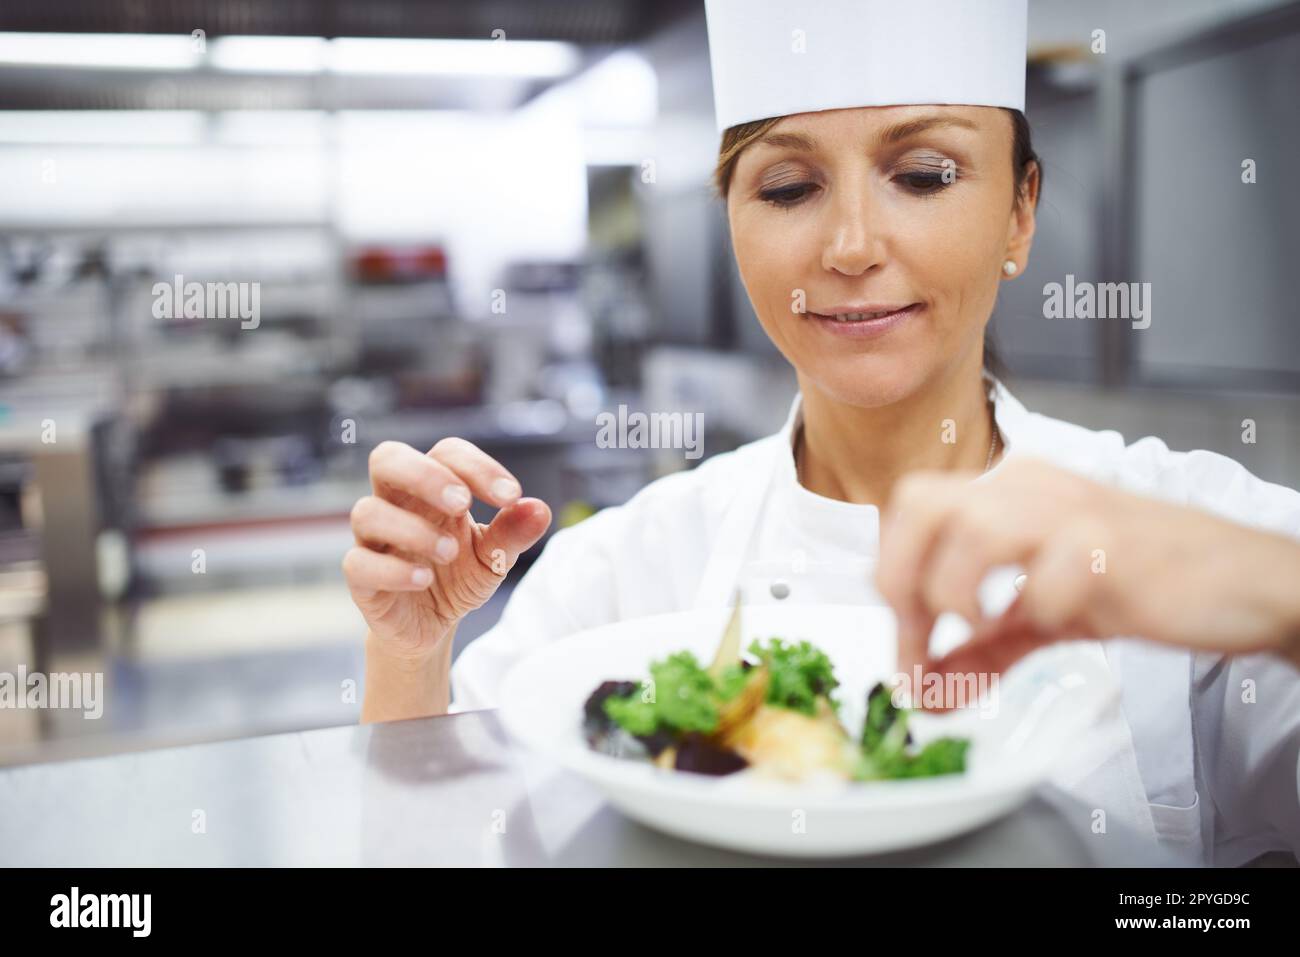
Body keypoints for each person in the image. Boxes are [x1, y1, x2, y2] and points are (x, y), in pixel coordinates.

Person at [344, 0, 1300, 866]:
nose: (850, 247)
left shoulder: (1192, 526)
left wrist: (1275, 593)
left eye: (923, 175)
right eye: (789, 188)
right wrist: (409, 651)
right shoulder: (619, 572)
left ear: (1021, 212)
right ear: (731, 223)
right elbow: (434, 847)